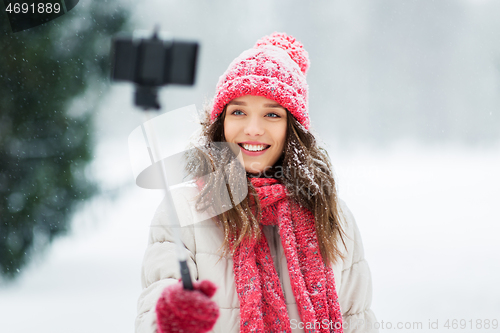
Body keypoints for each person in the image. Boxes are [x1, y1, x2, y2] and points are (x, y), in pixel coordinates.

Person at [135, 32, 378, 333]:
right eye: (238, 111)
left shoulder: (332, 215)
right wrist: (168, 315)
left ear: (293, 129)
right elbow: (156, 300)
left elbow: (358, 320)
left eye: (272, 115)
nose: (253, 129)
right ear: (220, 122)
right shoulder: (184, 211)